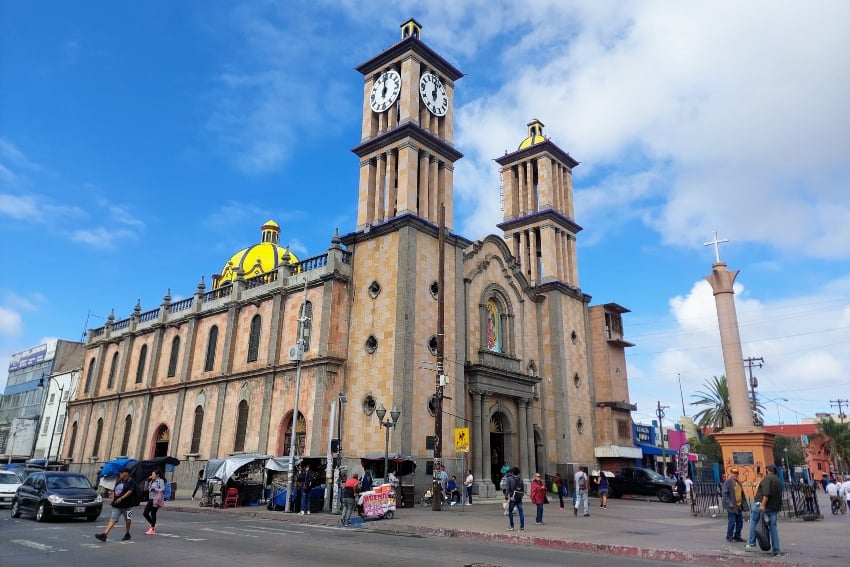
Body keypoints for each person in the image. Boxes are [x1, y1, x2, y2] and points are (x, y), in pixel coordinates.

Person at [744, 464, 783, 557]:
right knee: (773, 527)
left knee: (753, 520)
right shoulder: (778, 480)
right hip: (774, 507)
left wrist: (762, 505)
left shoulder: (767, 479)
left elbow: (766, 494)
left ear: (768, 470)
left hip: (763, 506)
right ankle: (776, 550)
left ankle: (752, 542)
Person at [95, 467, 139, 542]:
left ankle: (127, 533)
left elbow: (130, 491)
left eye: (122, 472)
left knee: (128, 519)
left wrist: (121, 498)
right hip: (117, 505)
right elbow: (116, 490)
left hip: (128, 505)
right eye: (120, 472)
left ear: (126, 473)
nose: (120, 474)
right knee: (113, 519)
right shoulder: (119, 480)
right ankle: (105, 535)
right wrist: (113, 499)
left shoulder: (131, 481)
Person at [721, 468, 745, 542]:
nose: (735, 474)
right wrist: (729, 503)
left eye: (736, 473)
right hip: (731, 505)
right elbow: (724, 493)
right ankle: (729, 536)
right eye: (734, 473)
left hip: (738, 505)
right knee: (732, 521)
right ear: (731, 473)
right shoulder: (728, 482)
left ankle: (737, 536)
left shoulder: (737, 482)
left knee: (740, 522)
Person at [143, 470, 166, 535]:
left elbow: (163, 489)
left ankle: (152, 528)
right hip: (150, 498)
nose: (152, 475)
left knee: (153, 513)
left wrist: (155, 489)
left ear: (157, 475)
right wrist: (147, 481)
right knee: (145, 513)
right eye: (152, 474)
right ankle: (152, 524)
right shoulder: (151, 481)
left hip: (156, 499)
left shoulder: (160, 481)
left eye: (153, 474)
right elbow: (145, 489)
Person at [505, 466, 525, 531]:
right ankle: (522, 527)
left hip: (512, 497)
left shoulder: (509, 479)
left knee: (510, 511)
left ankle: (511, 526)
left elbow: (507, 488)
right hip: (519, 497)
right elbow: (522, 488)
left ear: (512, 472)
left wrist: (506, 496)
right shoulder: (520, 479)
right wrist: (521, 495)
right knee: (521, 512)